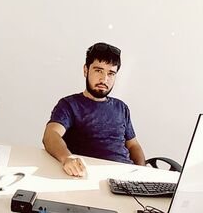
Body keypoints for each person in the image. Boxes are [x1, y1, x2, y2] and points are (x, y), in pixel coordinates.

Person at [42, 42, 146, 177]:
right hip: (92, 177)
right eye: (98, 71)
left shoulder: (121, 107)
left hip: (127, 176)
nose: (104, 79)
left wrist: (143, 173)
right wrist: (67, 158)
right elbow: (50, 135)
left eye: (111, 73)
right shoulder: (69, 105)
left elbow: (133, 145)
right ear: (86, 70)